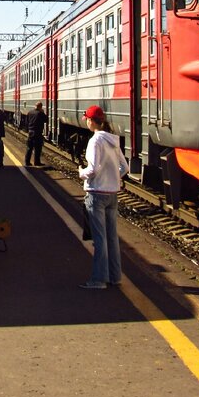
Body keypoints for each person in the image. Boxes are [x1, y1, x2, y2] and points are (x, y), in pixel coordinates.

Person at [78, 105, 129, 289]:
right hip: (112, 194)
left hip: (96, 194)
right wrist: (114, 178)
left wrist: (81, 173)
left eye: (88, 120)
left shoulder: (95, 141)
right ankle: (115, 277)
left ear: (92, 121)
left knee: (99, 239)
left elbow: (93, 169)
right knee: (112, 238)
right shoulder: (113, 140)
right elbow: (125, 168)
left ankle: (99, 280)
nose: (87, 123)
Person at [25, 101, 48, 166]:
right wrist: (43, 112)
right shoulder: (40, 113)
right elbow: (46, 120)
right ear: (40, 107)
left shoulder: (30, 112)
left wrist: (28, 130)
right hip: (37, 133)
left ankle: (27, 162)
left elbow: (27, 122)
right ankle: (36, 162)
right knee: (37, 148)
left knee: (29, 148)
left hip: (30, 132)